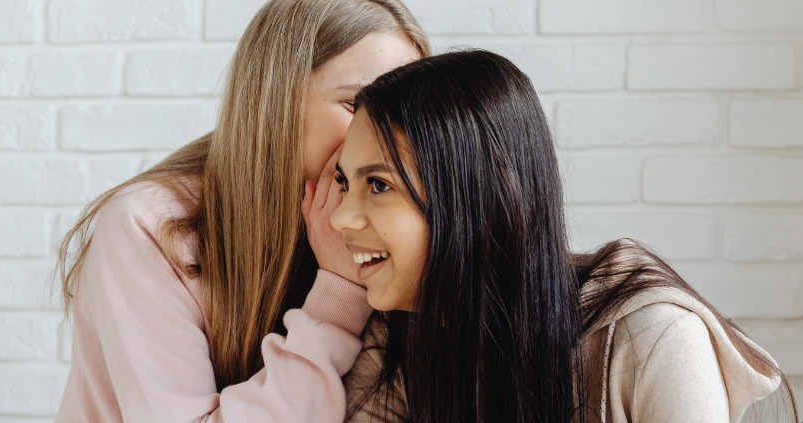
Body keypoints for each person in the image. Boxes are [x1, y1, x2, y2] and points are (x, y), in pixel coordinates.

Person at [331, 50, 798, 423]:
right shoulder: (399, 336)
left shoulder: (652, 338)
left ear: (485, 193)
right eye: (343, 183)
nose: (341, 218)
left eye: (378, 184)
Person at [52, 0, 429, 421]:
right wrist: (338, 298)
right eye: (356, 105)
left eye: (403, 116)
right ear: (276, 98)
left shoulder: (387, 225)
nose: (388, 140)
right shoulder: (146, 226)